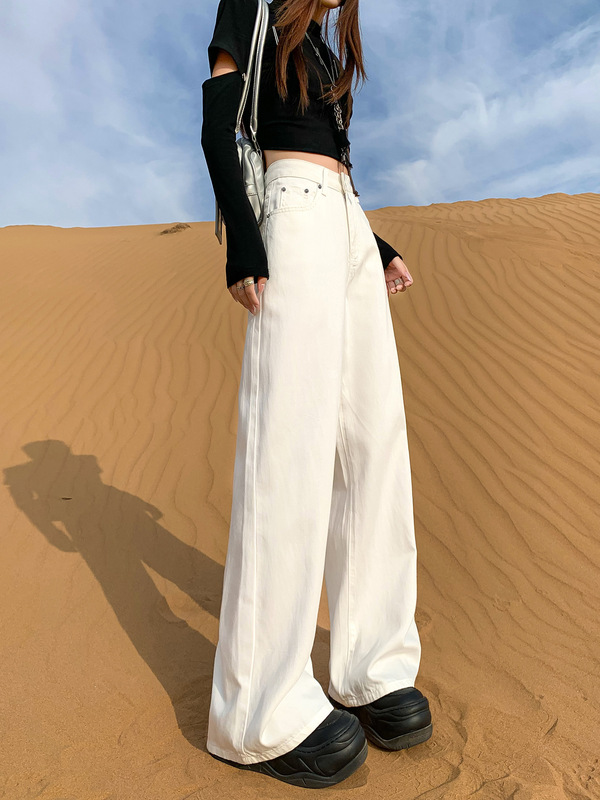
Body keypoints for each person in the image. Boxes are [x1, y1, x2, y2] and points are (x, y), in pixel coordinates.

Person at [201, 0, 432, 788]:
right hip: (290, 215)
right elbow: (220, 123)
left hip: (346, 223)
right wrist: (243, 239)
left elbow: (331, 156)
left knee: (372, 446)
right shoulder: (254, 6)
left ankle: (372, 667)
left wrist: (374, 242)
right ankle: (258, 712)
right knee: (288, 449)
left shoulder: (324, 48)